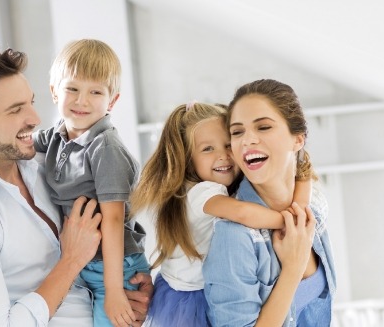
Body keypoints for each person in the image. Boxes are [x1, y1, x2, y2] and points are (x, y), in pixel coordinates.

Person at [0, 43, 152, 327]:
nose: (35, 120)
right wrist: (72, 260)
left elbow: (118, 222)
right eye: (15, 110)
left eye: (31, 103)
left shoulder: (44, 161)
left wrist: (132, 288)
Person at [130, 102, 311, 327]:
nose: (223, 156)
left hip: (183, 289)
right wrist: (287, 221)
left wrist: (303, 176)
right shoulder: (202, 192)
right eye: (208, 149)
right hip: (191, 298)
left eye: (228, 145)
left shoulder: (220, 188)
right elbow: (243, 213)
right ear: (188, 159)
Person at [32, 39, 150, 327]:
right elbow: (14, 146)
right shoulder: (57, 137)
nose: (81, 100)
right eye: (72, 88)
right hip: (85, 264)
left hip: (114, 267)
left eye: (95, 92)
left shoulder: (104, 147)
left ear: (112, 101)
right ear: (54, 92)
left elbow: (112, 220)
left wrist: (113, 292)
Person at [203, 79, 337, 326]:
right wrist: (293, 269)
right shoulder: (234, 236)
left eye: (263, 127)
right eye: (237, 131)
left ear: (298, 139)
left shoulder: (314, 203)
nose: (247, 140)